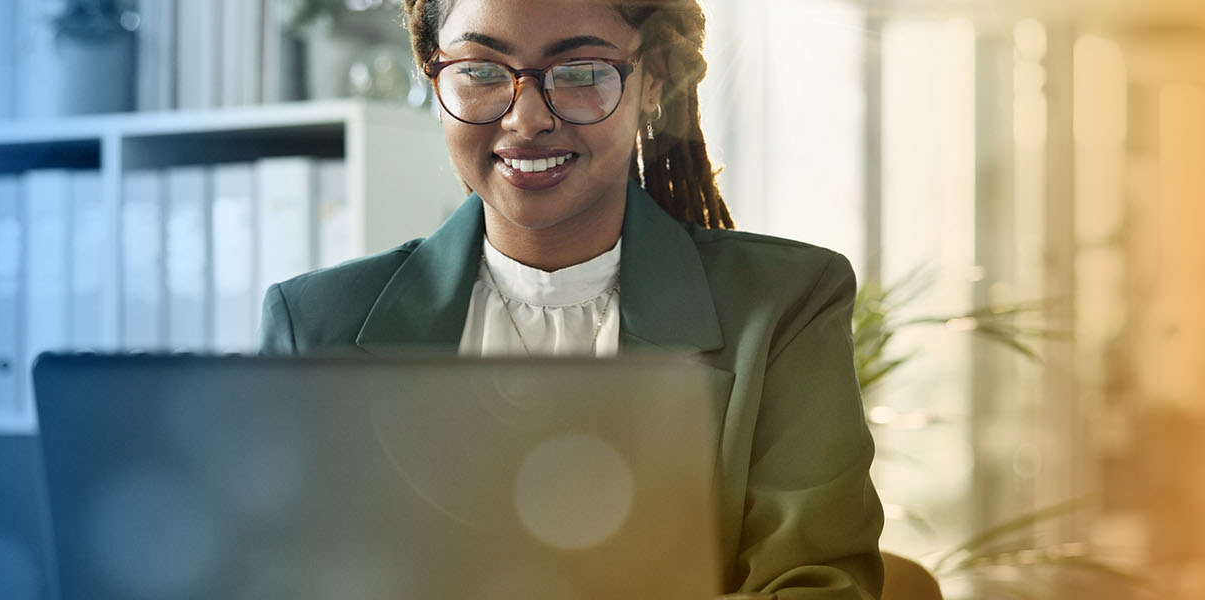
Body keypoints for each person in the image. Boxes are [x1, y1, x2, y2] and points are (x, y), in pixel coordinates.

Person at [257, 0, 883, 597]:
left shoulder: (783, 307)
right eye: (479, 70)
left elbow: (818, 588)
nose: (526, 119)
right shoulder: (314, 325)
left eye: (579, 71)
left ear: (654, 82)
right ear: (434, 75)